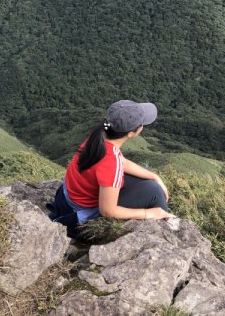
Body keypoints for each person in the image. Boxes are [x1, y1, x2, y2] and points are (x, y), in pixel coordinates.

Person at [47, 100, 174, 239]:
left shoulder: (98, 137)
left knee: (147, 179)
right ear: (133, 132)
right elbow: (108, 211)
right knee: (153, 191)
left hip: (68, 198)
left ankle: (164, 217)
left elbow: (121, 162)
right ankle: (168, 227)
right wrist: (148, 213)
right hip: (80, 215)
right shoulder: (111, 162)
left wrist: (154, 176)